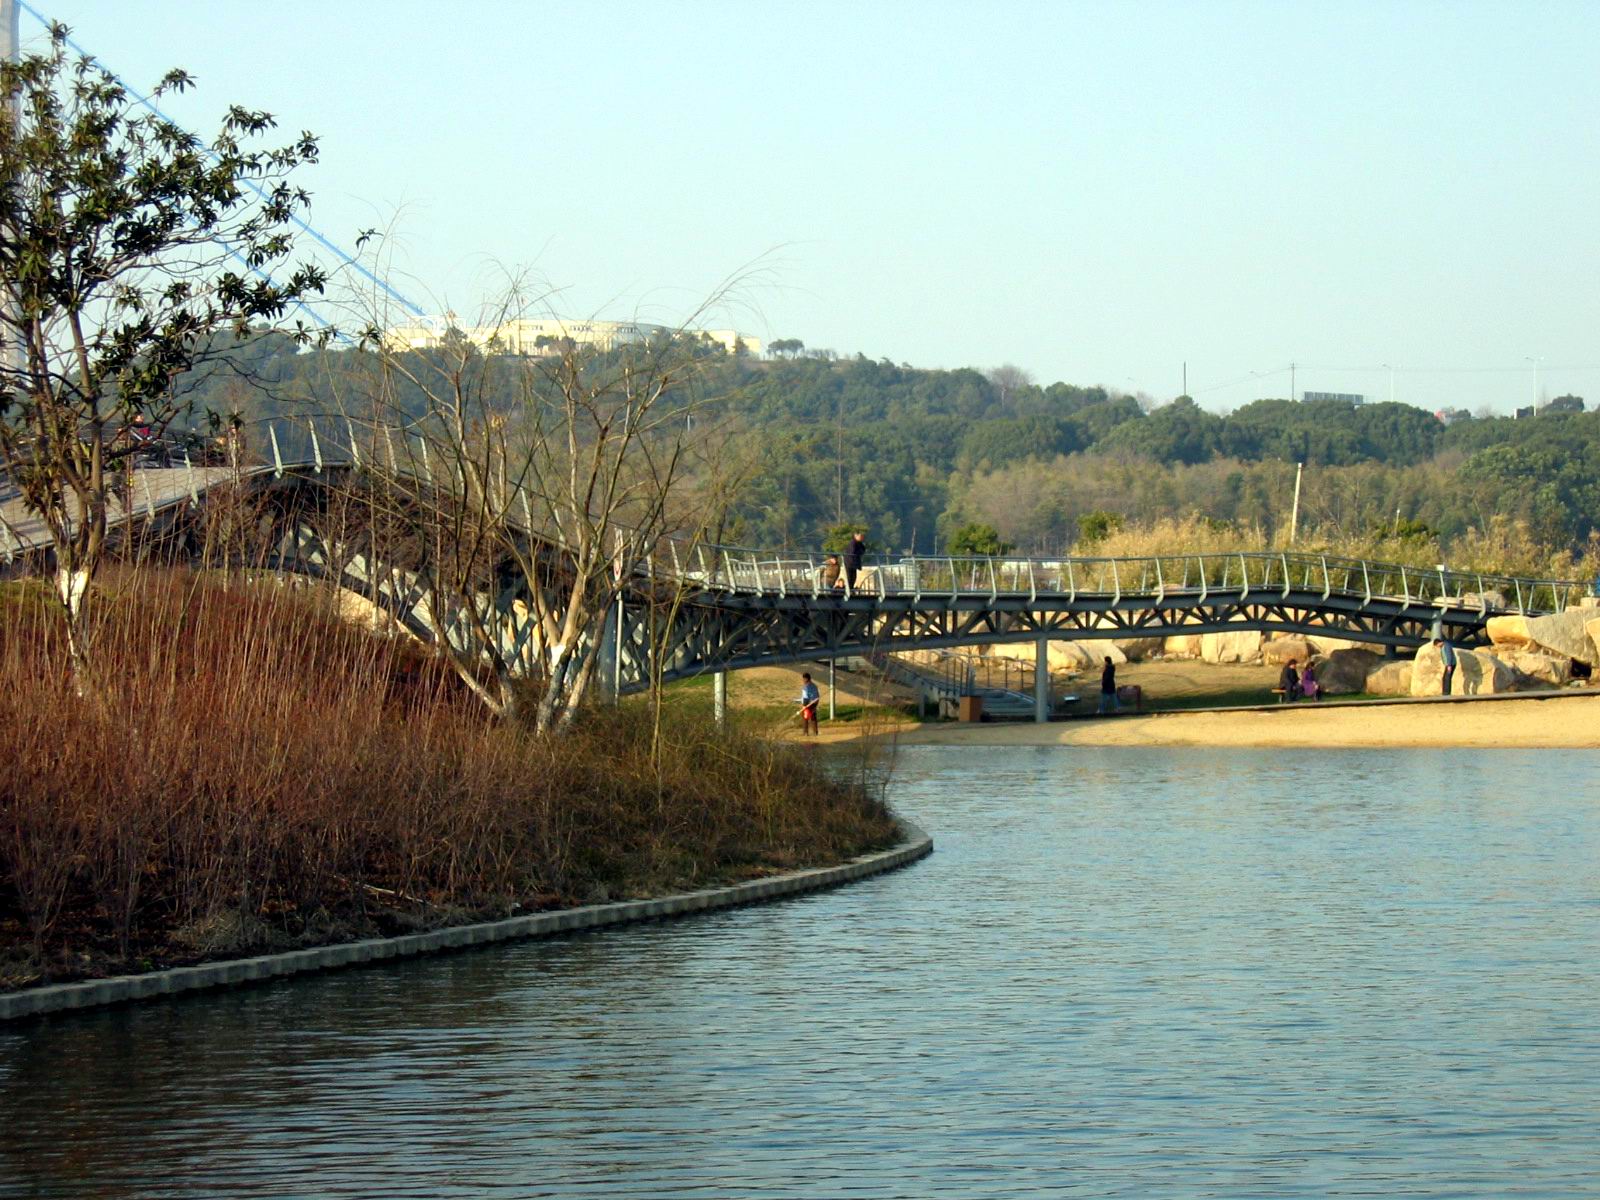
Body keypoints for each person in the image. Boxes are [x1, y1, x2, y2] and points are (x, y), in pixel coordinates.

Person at [798, 671, 820, 736]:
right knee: (813, 717)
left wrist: (804, 706)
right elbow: (817, 696)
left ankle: (805, 733)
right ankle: (815, 732)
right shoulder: (814, 686)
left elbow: (805, 697)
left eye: (803, 679)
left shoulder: (805, 687)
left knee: (805, 717)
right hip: (815, 702)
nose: (803, 680)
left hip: (808, 703)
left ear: (806, 679)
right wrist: (815, 705)